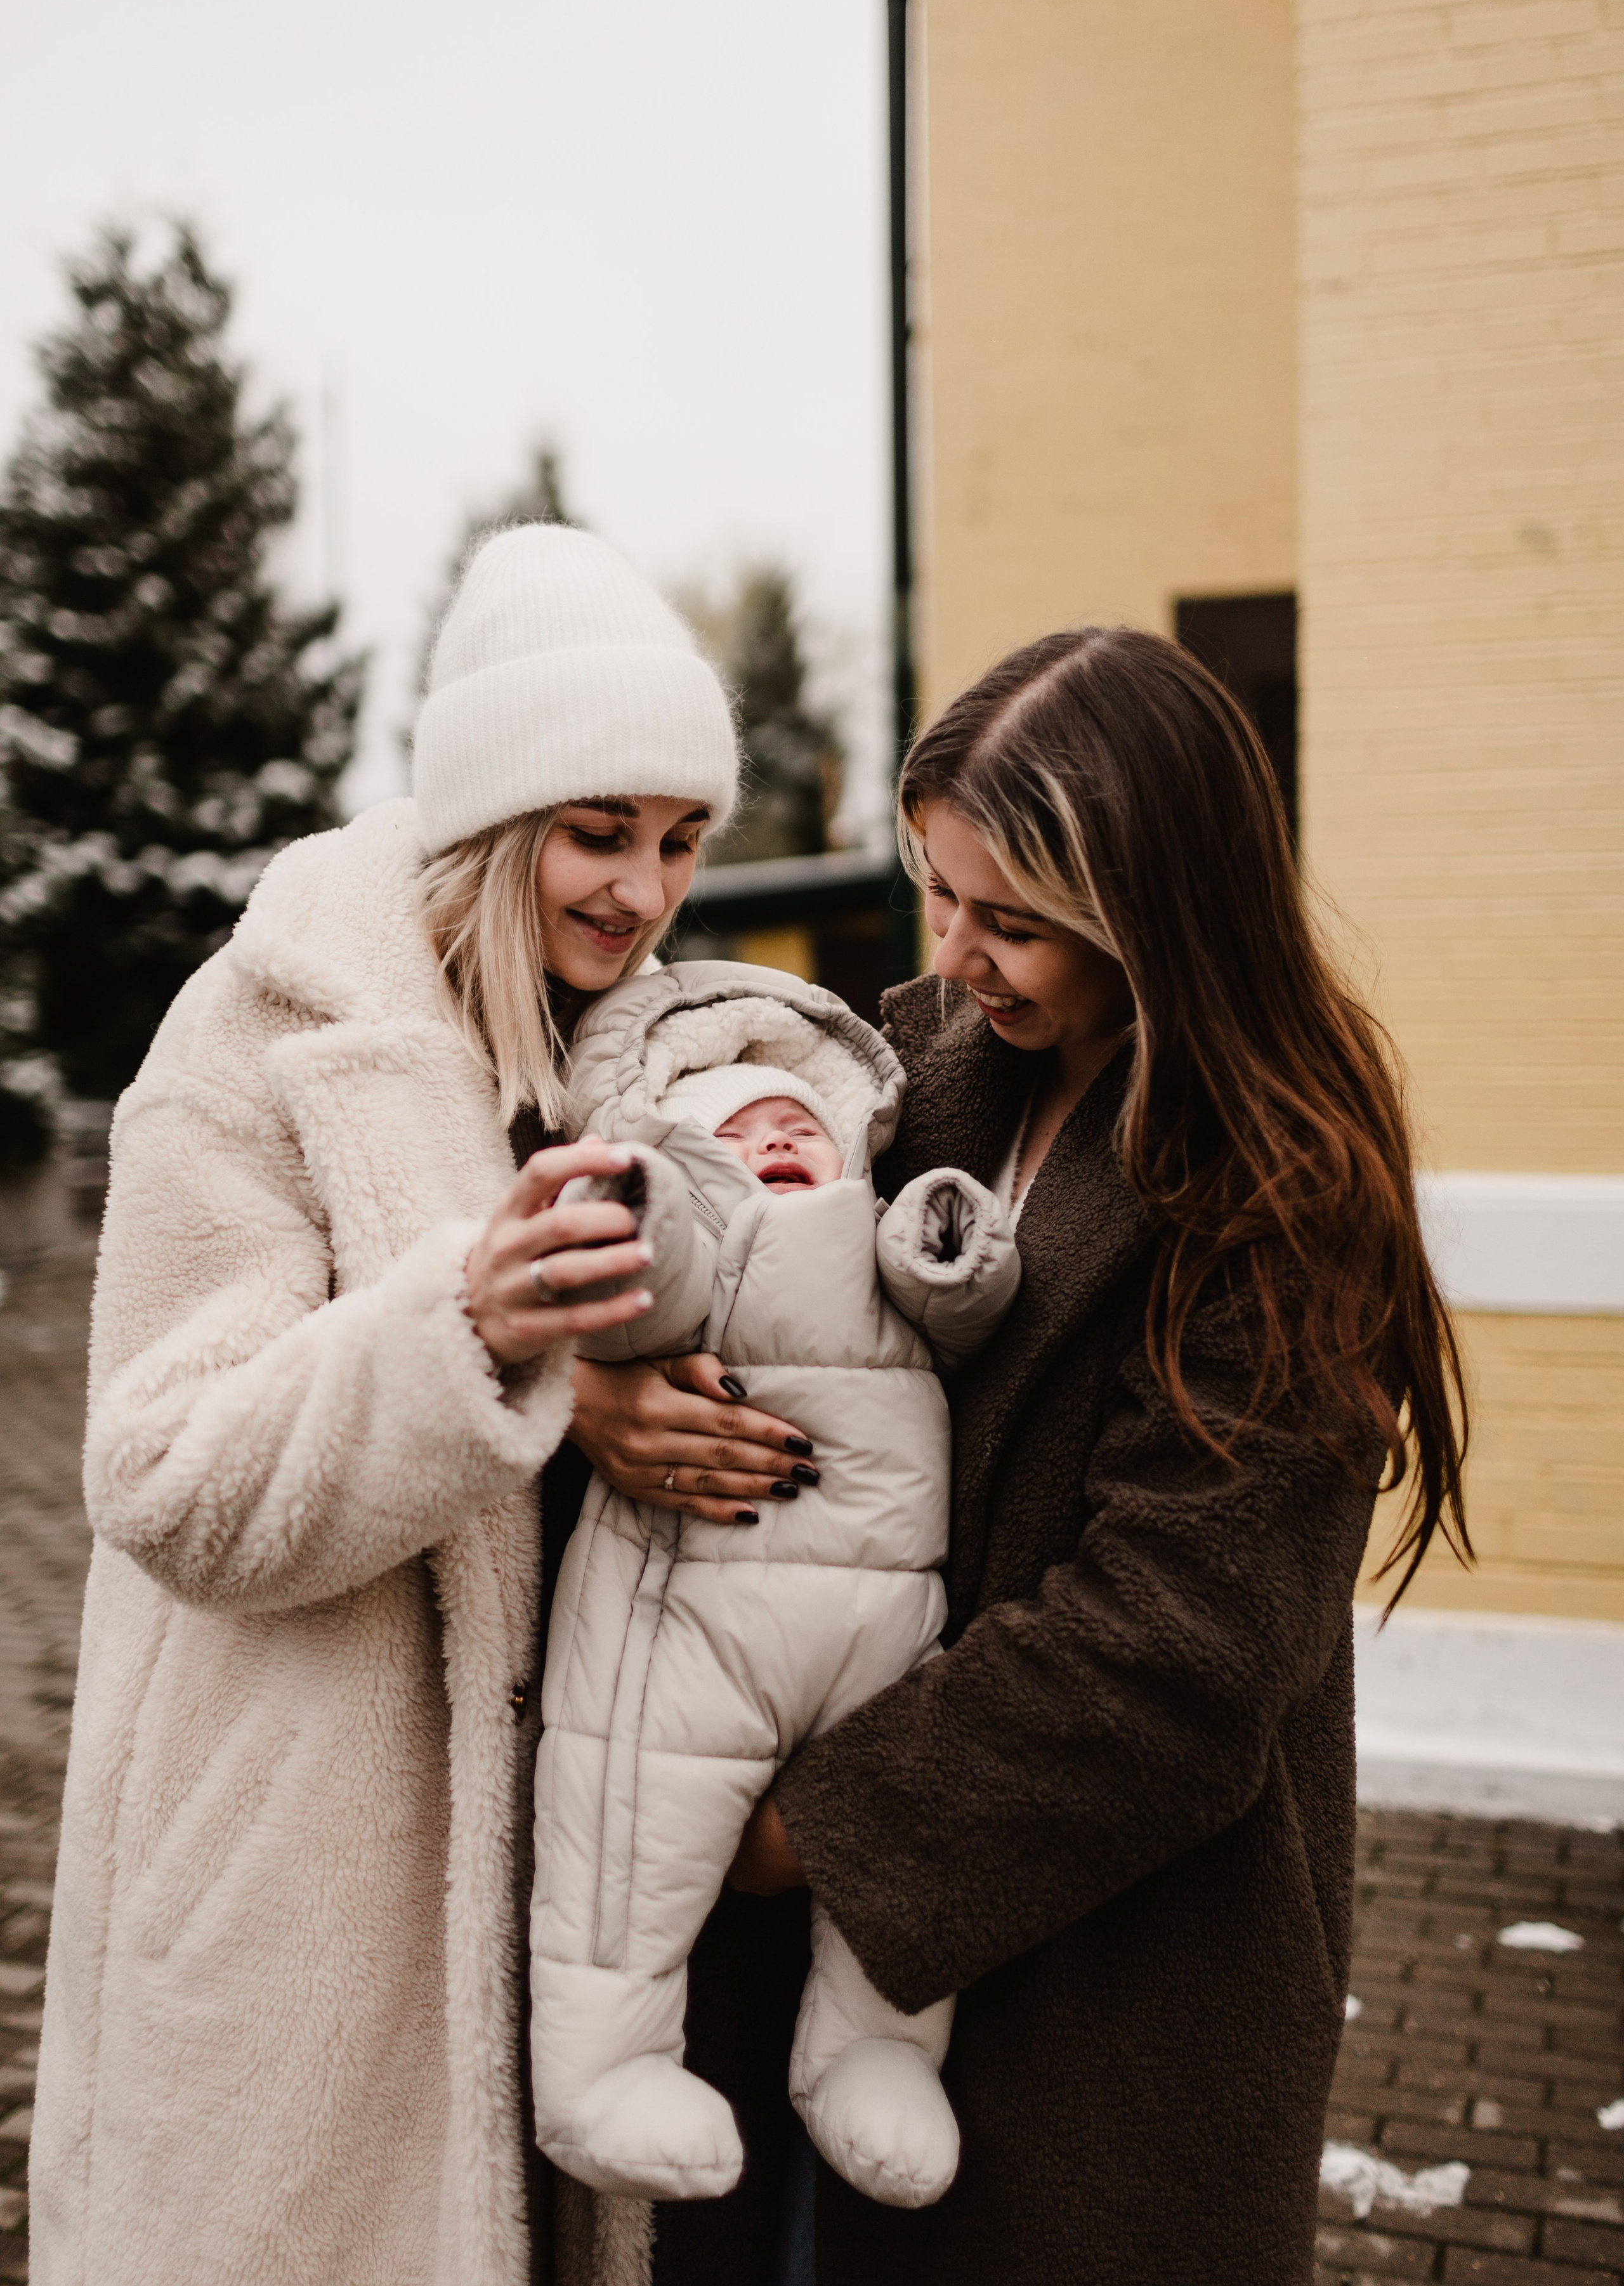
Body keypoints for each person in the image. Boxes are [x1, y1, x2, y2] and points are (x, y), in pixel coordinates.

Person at [571, 625, 1470, 2286]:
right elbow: (727, 1257)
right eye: (940, 894)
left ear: (1156, 910)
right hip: (795, 1989)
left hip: (1101, 2006)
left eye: (1014, 921)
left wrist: (798, 1832)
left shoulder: (1287, 1198)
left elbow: (1177, 1656)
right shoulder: (913, 1066)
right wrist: (601, 1395)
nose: (959, 953)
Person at [29, 524, 744, 2286]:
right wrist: (478, 1331)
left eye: (679, 840)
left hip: (550, 1884)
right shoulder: (254, 1041)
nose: (642, 889)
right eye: (598, 831)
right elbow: (166, 1474)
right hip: (294, 1893)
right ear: (494, 818)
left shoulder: (646, 1055)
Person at [528, 962, 1018, 2210]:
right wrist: (637, 1215)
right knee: (630, 1828)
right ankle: (602, 2067)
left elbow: (965, 1315)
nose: (780, 1141)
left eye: (799, 1123)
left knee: (903, 1846)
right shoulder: (706, 1238)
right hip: (694, 1615)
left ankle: (874, 2055)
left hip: (884, 1629)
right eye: (744, 1132)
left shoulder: (876, 1225)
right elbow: (637, 1314)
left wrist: (952, 1247)